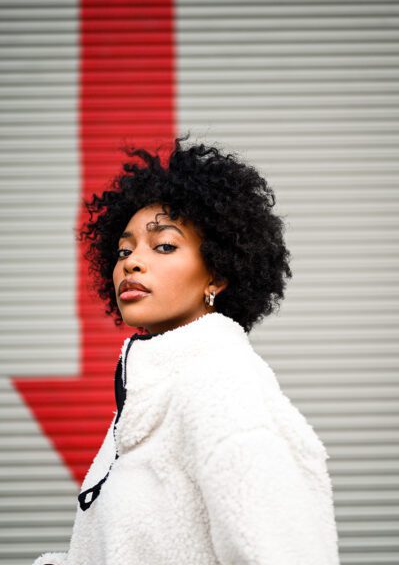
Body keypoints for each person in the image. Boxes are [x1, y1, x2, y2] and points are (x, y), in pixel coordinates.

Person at [33, 137, 340, 565]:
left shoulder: (221, 386)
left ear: (217, 273)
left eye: (163, 246)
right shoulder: (144, 399)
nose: (131, 262)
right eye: (124, 249)